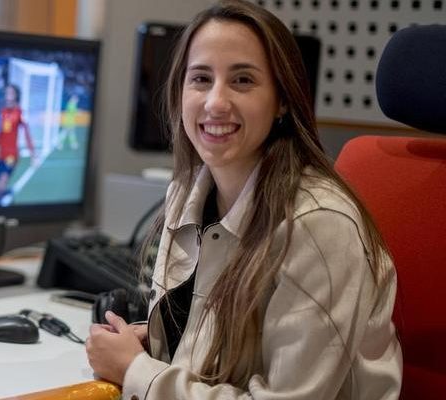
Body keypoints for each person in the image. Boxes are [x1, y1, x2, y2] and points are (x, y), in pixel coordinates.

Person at [84, 1, 402, 399]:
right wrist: (167, 339)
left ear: (283, 101)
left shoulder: (320, 224)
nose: (216, 102)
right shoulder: (186, 192)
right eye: (200, 78)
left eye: (243, 80)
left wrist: (137, 372)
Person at [0, 84, 39, 207]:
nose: (8, 94)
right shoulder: (3, 112)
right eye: (7, 92)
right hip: (1, 155)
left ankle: (7, 197)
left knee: (2, 184)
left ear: (16, 95)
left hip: (12, 155)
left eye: (11, 92)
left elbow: (27, 135)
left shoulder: (20, 112)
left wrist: (33, 155)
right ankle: (8, 196)